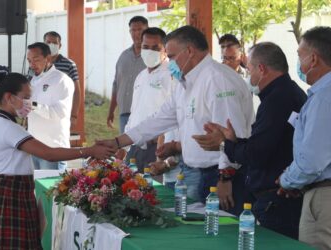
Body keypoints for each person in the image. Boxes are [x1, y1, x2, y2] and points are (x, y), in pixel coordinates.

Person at [98, 26, 254, 203]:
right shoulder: (185, 82)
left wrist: (226, 177)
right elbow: (159, 119)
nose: (169, 62)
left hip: (222, 177)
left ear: (189, 51)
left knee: (225, 229)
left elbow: (233, 134)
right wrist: (118, 142)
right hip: (199, 173)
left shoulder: (218, 79)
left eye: (171, 56)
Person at [0, 72, 115, 249]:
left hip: (13, 190)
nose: (29, 103)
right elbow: (49, 154)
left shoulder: (3, 123)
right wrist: (89, 151)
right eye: (26, 97)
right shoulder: (7, 127)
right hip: (10, 194)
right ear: (9, 97)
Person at [194, 42, 307, 238]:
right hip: (277, 194)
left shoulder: (278, 99)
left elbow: (257, 153)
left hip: (278, 198)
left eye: (249, 68)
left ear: (261, 69)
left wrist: (224, 144)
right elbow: (265, 143)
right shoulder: (286, 92)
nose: (248, 73)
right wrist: (234, 141)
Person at [279, 26, 331, 248]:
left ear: (314, 58)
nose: (299, 63)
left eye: (300, 55)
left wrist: (287, 180)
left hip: (324, 197)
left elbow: (312, 161)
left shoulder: (324, 98)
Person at [124, 27, 176, 173]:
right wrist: (124, 147)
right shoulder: (141, 75)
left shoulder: (171, 75)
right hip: (134, 145)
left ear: (164, 49)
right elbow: (135, 112)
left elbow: (173, 115)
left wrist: (161, 156)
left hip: (157, 148)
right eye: (146, 47)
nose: (150, 51)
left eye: (155, 48)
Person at [27, 42, 74, 170]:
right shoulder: (33, 80)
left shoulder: (61, 80)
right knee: (36, 190)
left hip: (53, 150)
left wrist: (32, 105)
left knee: (50, 190)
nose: (32, 65)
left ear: (48, 58)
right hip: (33, 147)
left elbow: (58, 113)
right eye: (29, 61)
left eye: (36, 60)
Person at [107, 16, 148, 133]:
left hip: (145, 115)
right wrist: (111, 111)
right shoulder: (123, 56)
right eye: (133, 30)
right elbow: (116, 85)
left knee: (143, 150)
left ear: (146, 30)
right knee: (125, 149)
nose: (136, 34)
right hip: (124, 114)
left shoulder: (153, 57)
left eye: (139, 30)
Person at [44, 31, 81, 130]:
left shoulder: (69, 64)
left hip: (61, 114)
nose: (51, 45)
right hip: (41, 113)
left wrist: (74, 116)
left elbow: (76, 92)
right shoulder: (36, 64)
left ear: (60, 45)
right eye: (48, 42)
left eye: (55, 43)